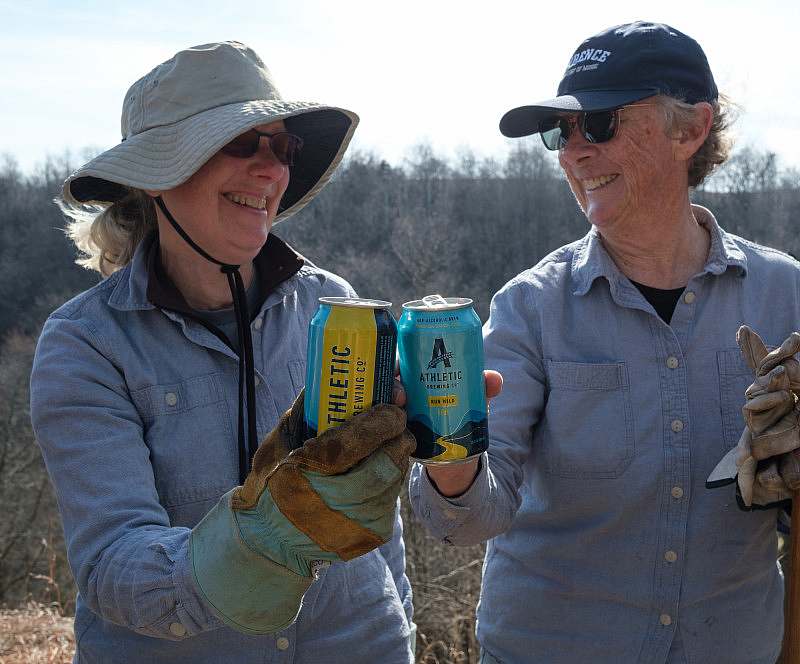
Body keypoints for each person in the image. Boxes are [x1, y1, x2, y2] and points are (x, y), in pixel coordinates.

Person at [409, 21, 800, 664]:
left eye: (598, 124)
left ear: (690, 130)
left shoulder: (786, 298)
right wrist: (451, 458)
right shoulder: (530, 307)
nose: (573, 152)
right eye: (559, 132)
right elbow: (470, 518)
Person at [30, 41, 418, 663]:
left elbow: (383, 531)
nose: (270, 171)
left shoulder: (332, 307)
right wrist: (265, 541)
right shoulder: (86, 346)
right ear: (156, 177)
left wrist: (400, 625)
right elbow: (112, 566)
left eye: (282, 147)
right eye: (239, 143)